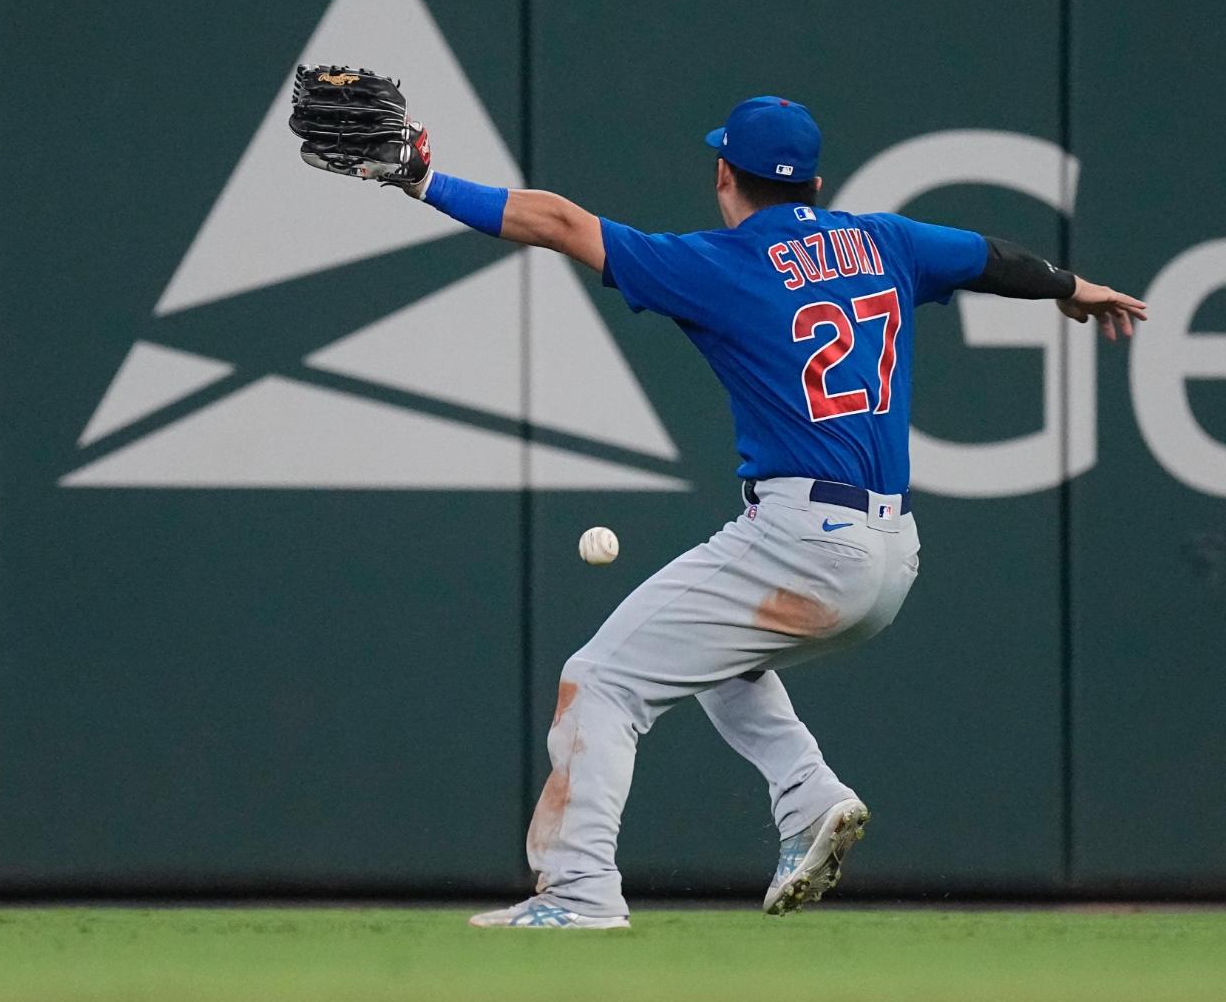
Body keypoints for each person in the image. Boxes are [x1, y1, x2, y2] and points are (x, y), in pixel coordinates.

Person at [295, 88, 1147, 928]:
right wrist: (1070, 286)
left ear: (722, 176)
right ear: (815, 185)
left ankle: (577, 890)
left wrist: (423, 178)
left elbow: (556, 221)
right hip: (891, 555)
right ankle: (810, 799)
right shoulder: (886, 242)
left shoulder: (720, 265)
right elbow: (990, 256)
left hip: (803, 540)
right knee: (716, 663)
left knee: (601, 682)